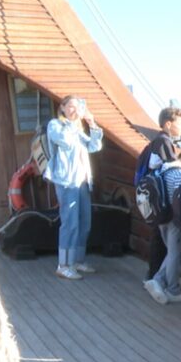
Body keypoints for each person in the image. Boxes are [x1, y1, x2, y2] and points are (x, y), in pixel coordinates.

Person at [45, 95, 103, 280]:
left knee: (85, 222)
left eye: (77, 107)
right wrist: (74, 122)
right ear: (62, 108)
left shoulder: (77, 129)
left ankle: (77, 260)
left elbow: (94, 146)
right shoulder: (56, 125)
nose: (74, 110)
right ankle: (64, 265)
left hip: (82, 182)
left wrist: (92, 123)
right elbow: (64, 141)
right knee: (70, 224)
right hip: (66, 182)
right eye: (70, 106)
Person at [141, 107, 181, 281]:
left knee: (161, 241)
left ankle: (154, 277)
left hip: (156, 199)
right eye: (180, 124)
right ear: (168, 124)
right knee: (170, 247)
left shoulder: (157, 140)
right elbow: (172, 169)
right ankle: (159, 281)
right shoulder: (164, 142)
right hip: (164, 201)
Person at [143, 150, 181, 304]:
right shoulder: (179, 174)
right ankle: (172, 289)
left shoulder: (162, 170)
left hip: (160, 216)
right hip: (174, 218)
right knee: (175, 254)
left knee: (172, 252)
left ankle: (157, 280)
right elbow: (180, 198)